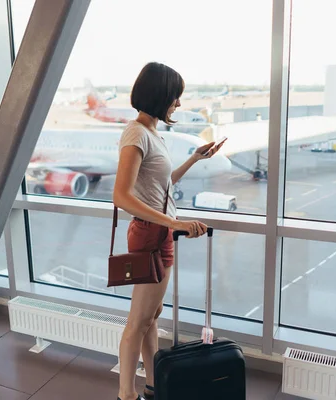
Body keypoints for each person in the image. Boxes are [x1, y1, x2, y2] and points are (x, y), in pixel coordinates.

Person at [113, 62, 225, 400]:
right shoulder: (135, 133)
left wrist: (193, 159)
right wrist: (174, 224)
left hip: (157, 234)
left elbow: (160, 186)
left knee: (151, 315)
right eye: (175, 96)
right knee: (138, 321)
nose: (178, 103)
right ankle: (126, 395)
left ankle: (151, 385)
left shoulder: (151, 133)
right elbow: (121, 195)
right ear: (161, 95)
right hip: (151, 235)